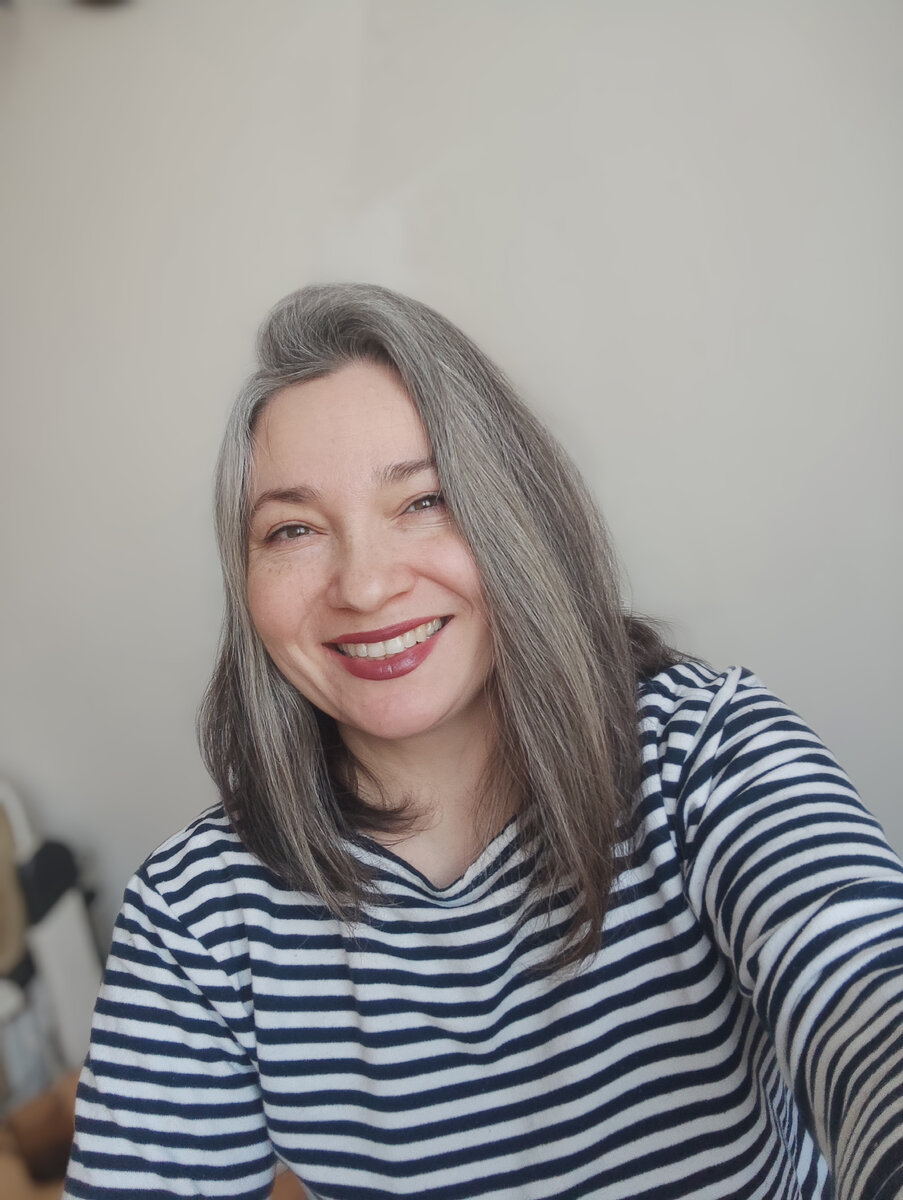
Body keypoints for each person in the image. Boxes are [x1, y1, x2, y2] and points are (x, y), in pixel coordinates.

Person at [64, 284, 903, 1200]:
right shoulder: (194, 913)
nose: (365, 585)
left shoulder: (708, 756)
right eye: (293, 529)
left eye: (424, 500)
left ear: (517, 517)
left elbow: (868, 998)